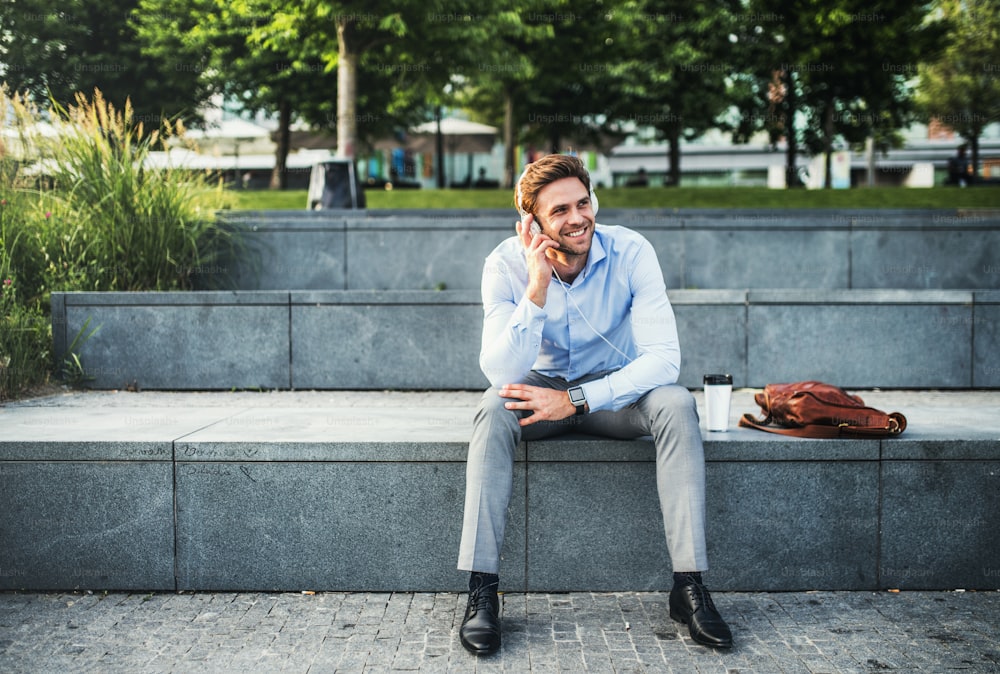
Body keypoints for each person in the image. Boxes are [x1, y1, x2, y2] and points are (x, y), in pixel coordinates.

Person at [457, 154, 732, 656]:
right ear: (532, 223)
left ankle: (688, 586)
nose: (578, 217)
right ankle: (482, 591)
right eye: (559, 210)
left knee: (675, 403)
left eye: (583, 203)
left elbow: (664, 360)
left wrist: (577, 399)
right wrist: (537, 287)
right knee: (491, 410)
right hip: (538, 393)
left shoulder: (630, 251)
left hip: (612, 395)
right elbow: (500, 373)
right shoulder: (503, 265)